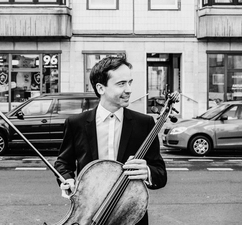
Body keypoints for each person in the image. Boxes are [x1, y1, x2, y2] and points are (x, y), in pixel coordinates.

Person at [54, 56, 167, 225]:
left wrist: (148, 172)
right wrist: (67, 179)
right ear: (101, 88)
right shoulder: (76, 123)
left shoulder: (145, 124)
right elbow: (63, 163)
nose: (129, 89)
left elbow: (160, 173)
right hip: (88, 214)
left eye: (130, 82)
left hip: (130, 215)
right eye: (121, 84)